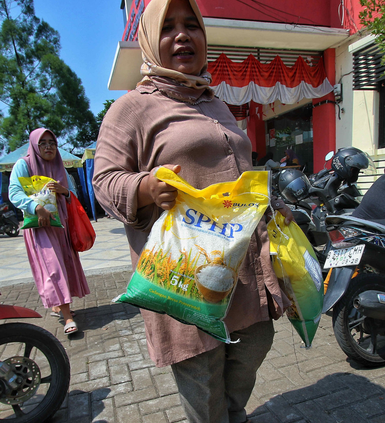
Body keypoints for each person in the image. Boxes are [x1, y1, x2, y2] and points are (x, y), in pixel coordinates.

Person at [92, 0, 293, 422]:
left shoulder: (216, 104)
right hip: (187, 278)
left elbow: (240, 172)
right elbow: (104, 182)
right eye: (168, 27)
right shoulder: (131, 109)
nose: (182, 35)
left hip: (242, 271)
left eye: (191, 25)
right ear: (148, 41)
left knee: (253, 347)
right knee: (204, 392)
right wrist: (145, 187)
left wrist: (272, 208)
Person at [8, 128, 90, 334]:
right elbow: (14, 193)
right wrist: (35, 207)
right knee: (52, 267)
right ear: (35, 145)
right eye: (43, 143)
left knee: (64, 264)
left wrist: (64, 191)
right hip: (40, 227)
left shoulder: (58, 166)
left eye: (52, 143)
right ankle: (68, 316)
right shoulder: (24, 165)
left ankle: (58, 306)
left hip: (60, 225)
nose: (48, 147)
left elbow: (72, 193)